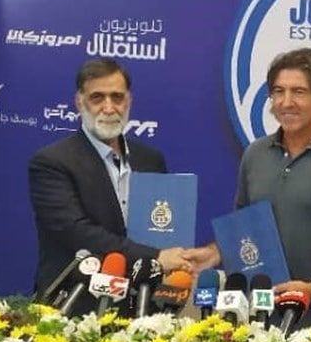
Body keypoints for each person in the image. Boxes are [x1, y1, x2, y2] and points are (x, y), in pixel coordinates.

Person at [189, 48, 311, 325]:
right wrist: (213, 252)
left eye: (299, 92)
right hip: (259, 317)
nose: (286, 102)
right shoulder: (255, 154)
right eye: (278, 91)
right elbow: (245, 230)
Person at [28, 58, 191, 312]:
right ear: (79, 102)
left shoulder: (150, 159)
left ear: (129, 101)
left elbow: (162, 230)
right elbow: (78, 233)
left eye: (117, 97)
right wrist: (157, 257)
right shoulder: (52, 162)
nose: (108, 107)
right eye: (97, 98)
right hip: (75, 307)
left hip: (141, 306)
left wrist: (176, 258)